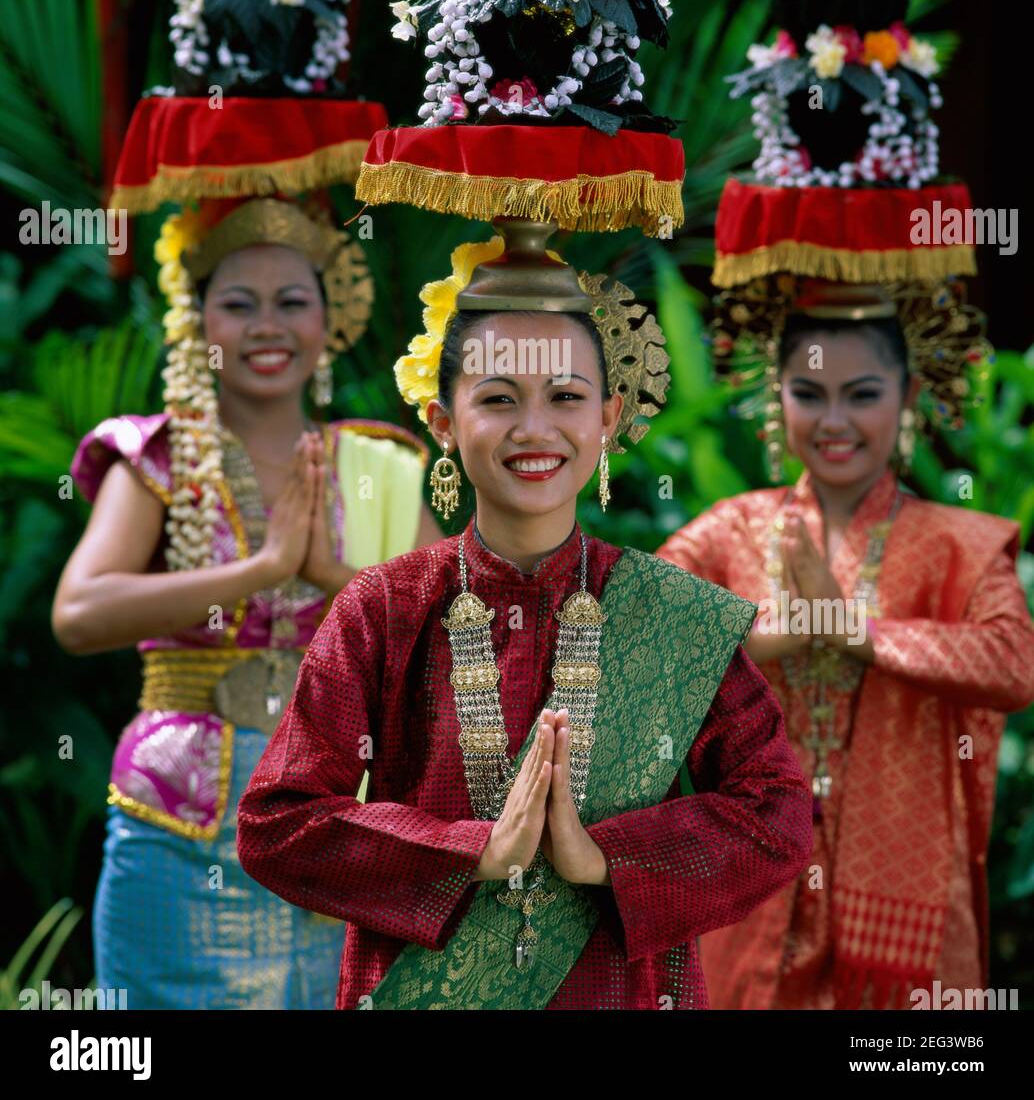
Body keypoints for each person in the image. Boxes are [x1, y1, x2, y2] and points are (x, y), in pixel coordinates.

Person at [235, 230, 813, 1010]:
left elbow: (778, 815)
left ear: (607, 417)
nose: (535, 430)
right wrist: (468, 851)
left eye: (567, 398)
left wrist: (604, 858)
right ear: (443, 421)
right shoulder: (383, 609)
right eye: (499, 399)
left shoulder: (671, 613)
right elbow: (277, 823)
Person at [52, 196, 439, 1009]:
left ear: (330, 320)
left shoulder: (378, 464)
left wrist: (336, 575)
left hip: (343, 824)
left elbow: (450, 637)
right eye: (239, 303)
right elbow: (79, 614)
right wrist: (259, 570)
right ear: (199, 324)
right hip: (179, 823)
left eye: (292, 302)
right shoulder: (154, 456)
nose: (268, 325)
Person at [659, 288, 1034, 1009]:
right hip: (750, 882)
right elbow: (641, 630)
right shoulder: (729, 531)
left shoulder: (961, 545)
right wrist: (782, 629)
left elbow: (1013, 665)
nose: (834, 422)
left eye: (861, 395)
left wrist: (857, 633)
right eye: (809, 393)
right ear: (779, 395)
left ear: (910, 394)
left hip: (908, 900)